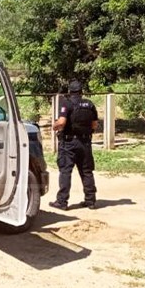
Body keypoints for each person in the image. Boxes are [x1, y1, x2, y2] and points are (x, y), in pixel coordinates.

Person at [49, 80, 98, 211]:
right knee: (87, 171)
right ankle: (90, 201)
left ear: (70, 92)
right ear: (82, 91)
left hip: (69, 143)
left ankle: (62, 202)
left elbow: (61, 123)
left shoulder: (67, 103)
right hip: (85, 143)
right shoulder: (90, 104)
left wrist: (54, 125)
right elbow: (94, 124)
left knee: (65, 171)